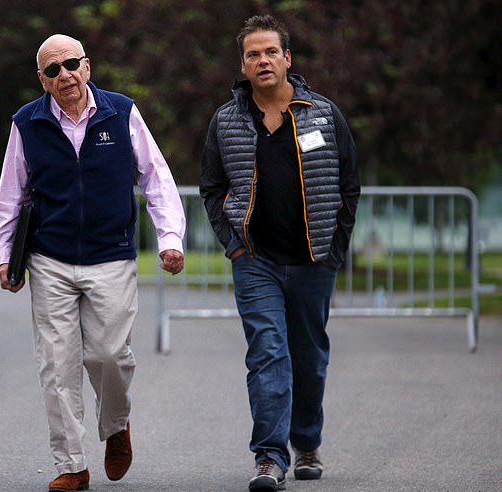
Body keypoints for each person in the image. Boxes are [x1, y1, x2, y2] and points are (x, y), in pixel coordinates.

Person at [0, 34, 185, 492]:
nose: (64, 76)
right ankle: (71, 464)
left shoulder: (121, 111)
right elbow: (11, 194)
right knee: (57, 364)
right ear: (42, 80)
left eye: (70, 65)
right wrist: (3, 255)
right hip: (50, 258)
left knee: (110, 357)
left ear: (87, 66)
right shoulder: (27, 123)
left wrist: (170, 238)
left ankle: (116, 426)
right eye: (52, 71)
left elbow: (156, 179)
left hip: (110, 255)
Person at [200, 15, 360, 492]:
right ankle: (269, 457)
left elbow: (348, 185)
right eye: (253, 54)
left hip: (314, 259)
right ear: (243, 65)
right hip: (256, 261)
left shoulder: (323, 114)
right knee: (268, 353)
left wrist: (336, 249)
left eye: (270, 51)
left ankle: (306, 442)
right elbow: (212, 187)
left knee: (308, 357)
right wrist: (234, 245)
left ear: (287, 59)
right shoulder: (226, 121)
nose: (262, 60)